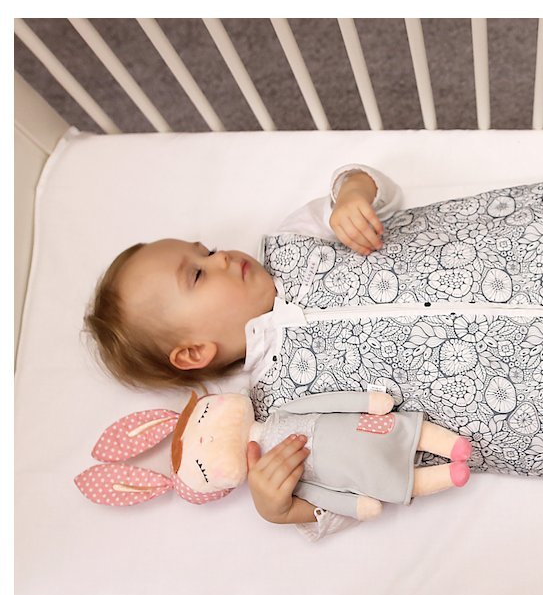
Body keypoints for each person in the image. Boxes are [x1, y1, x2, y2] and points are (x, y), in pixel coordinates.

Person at [81, 164, 473, 533]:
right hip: (484, 382)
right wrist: (281, 509)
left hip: (469, 254)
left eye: (207, 250)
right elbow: (360, 481)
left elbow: (377, 191)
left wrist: (353, 195)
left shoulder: (293, 242)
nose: (221, 257)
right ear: (194, 352)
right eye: (198, 274)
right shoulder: (280, 412)